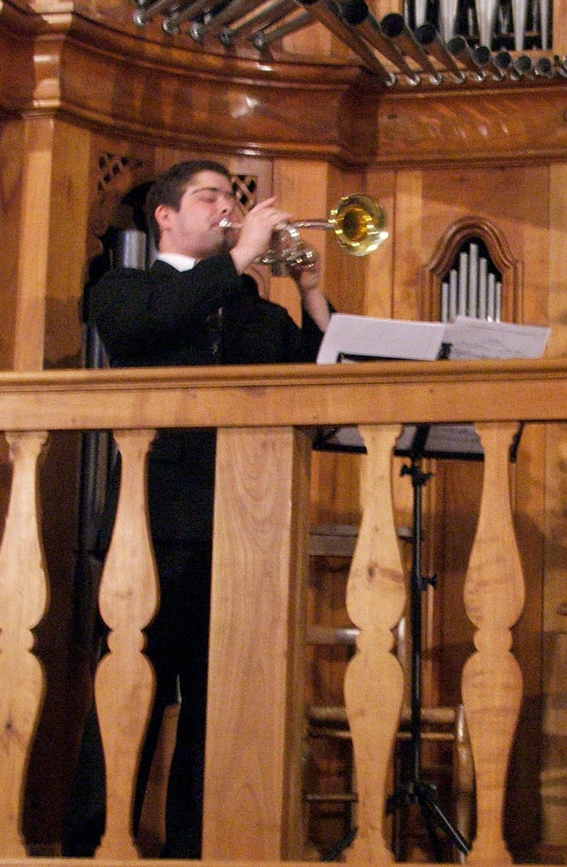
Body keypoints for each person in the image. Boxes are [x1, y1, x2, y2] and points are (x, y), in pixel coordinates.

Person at [63, 160, 332, 857]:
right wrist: (241, 257)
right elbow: (143, 330)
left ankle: (198, 849)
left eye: (229, 200)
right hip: (149, 525)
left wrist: (312, 295)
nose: (223, 209)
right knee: (128, 694)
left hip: (244, 530)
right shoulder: (126, 287)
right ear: (166, 216)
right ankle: (95, 844)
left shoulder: (257, 313)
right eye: (208, 197)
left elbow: (324, 400)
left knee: (219, 707)